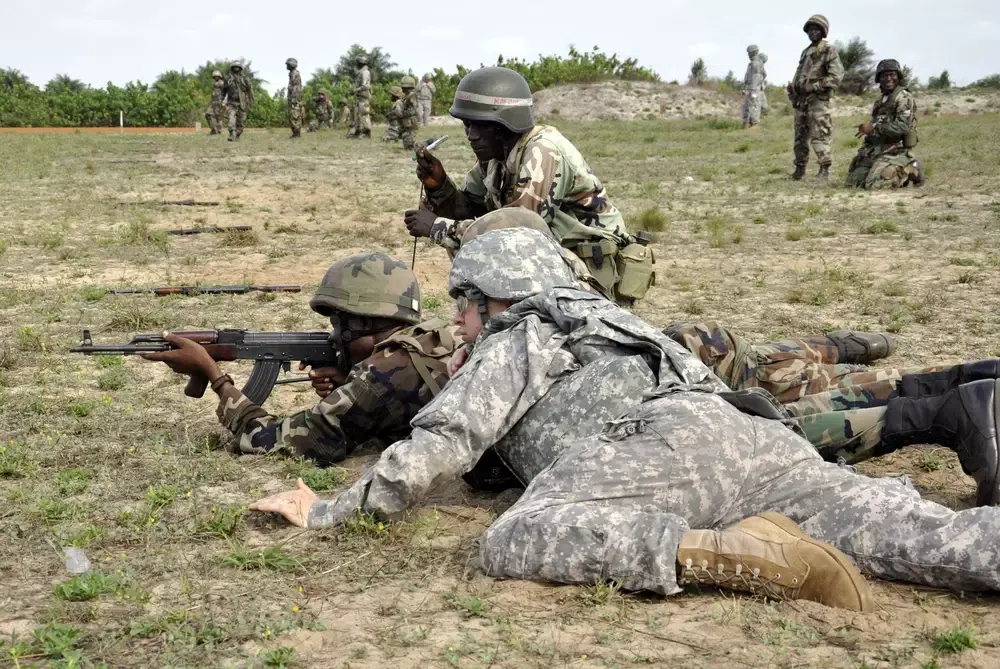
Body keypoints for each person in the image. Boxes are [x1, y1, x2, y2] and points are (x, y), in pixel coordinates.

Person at [253, 227, 1000, 607]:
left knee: (515, 536)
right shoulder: (616, 320)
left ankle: (718, 551)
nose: (456, 317)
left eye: (463, 301)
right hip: (754, 436)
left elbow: (444, 441)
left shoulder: (523, 332)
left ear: (493, 299)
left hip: (653, 455)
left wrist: (330, 509)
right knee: (924, 533)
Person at [141, 253, 458, 466]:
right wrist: (349, 381)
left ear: (367, 322)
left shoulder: (384, 373)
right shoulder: (426, 339)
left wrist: (213, 374)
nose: (334, 336)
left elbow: (271, 440)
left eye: (340, 324)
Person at [402, 66, 653, 305]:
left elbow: (516, 235)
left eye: (481, 126)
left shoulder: (543, 151)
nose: (471, 135)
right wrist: (439, 186)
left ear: (505, 125)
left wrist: (437, 227)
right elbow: (469, 208)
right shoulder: (496, 158)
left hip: (591, 277)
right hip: (558, 263)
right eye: (468, 125)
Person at [665, 322, 1000, 490]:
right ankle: (966, 380)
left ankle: (948, 409)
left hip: (673, 377)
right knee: (767, 377)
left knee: (754, 436)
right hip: (689, 349)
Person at [845, 59, 924, 189]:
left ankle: (911, 169)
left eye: (892, 74)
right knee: (853, 184)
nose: (888, 78)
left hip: (895, 151)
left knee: (876, 185)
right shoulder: (880, 101)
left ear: (898, 76)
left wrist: (874, 127)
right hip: (877, 150)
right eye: (884, 75)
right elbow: (875, 122)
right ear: (878, 78)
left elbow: (903, 127)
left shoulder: (903, 97)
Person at [787, 14, 843, 180]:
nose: (813, 32)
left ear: (823, 31)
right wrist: (794, 88)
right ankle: (799, 170)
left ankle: (824, 171)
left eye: (816, 29)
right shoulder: (806, 52)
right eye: (810, 29)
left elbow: (836, 77)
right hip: (802, 101)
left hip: (818, 101)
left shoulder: (828, 50)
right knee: (800, 138)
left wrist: (814, 86)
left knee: (820, 135)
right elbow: (800, 74)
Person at [222, 59, 255, 142]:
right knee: (231, 119)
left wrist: (251, 101)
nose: (236, 68)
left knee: (241, 122)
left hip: (242, 104)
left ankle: (237, 134)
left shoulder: (245, 79)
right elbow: (223, 91)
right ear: (232, 68)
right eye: (234, 67)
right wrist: (221, 100)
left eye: (237, 67)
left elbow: (250, 91)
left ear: (240, 68)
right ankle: (231, 134)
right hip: (231, 103)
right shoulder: (228, 79)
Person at [741, 45, 766, 130]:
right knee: (746, 106)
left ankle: (755, 124)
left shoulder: (756, 63)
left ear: (754, 52)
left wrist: (753, 89)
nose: (748, 54)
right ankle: (746, 123)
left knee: (754, 105)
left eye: (750, 52)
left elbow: (757, 76)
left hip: (753, 88)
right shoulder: (752, 63)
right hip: (749, 87)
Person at [348, 54, 372, 139]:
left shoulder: (365, 72)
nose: (356, 64)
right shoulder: (361, 72)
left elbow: (365, 86)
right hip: (359, 96)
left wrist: (355, 90)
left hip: (364, 96)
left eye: (358, 62)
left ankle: (366, 132)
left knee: (364, 114)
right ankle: (357, 132)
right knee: (357, 114)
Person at [399, 75, 420, 150]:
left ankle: (427, 144)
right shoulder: (406, 96)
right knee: (406, 143)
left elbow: (412, 110)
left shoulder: (412, 96)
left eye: (404, 87)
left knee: (410, 144)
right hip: (407, 122)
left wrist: (402, 114)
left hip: (411, 121)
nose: (402, 89)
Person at [286, 58, 303, 139]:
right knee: (292, 116)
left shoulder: (295, 73)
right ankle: (295, 133)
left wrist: (294, 99)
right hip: (292, 98)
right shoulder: (291, 73)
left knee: (295, 116)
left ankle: (297, 133)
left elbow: (296, 88)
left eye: (288, 64)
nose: (286, 66)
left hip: (294, 99)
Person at [205, 70, 225, 136]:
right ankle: (213, 130)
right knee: (207, 114)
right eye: (215, 76)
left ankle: (219, 131)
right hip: (212, 102)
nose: (216, 77)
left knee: (218, 116)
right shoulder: (214, 83)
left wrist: (223, 101)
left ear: (219, 76)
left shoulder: (222, 83)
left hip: (219, 102)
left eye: (217, 76)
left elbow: (224, 93)